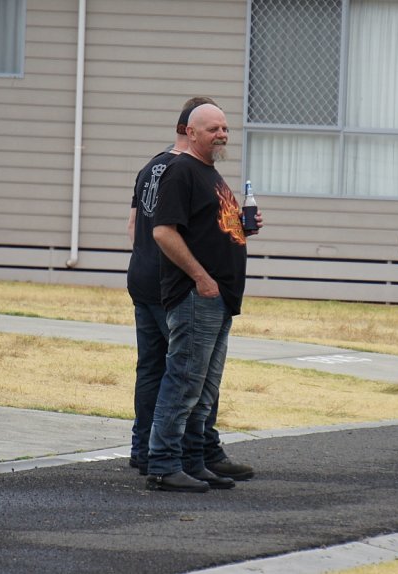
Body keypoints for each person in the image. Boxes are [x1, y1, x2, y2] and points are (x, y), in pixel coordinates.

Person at [125, 97, 254, 482]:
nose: (222, 135)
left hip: (212, 296)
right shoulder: (180, 170)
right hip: (194, 295)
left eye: (225, 128)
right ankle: (164, 464)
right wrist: (200, 277)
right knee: (181, 380)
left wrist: (242, 227)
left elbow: (148, 227)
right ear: (189, 131)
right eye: (213, 129)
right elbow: (160, 230)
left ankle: (193, 459)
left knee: (196, 383)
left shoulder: (205, 172)